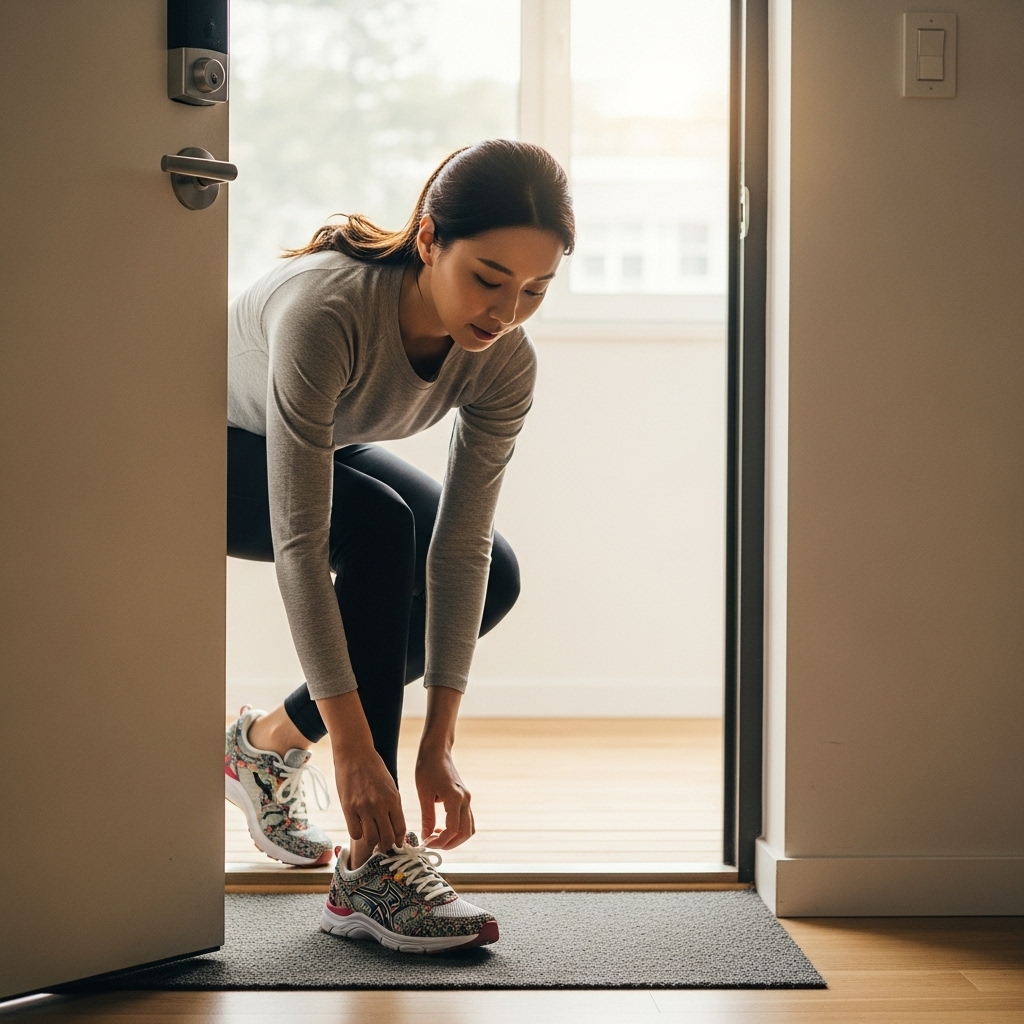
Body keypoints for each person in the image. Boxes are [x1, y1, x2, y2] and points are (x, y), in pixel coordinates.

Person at [223, 139, 574, 953]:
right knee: (380, 525)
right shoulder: (328, 312)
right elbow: (302, 544)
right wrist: (352, 751)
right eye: (487, 279)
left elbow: (461, 549)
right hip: (194, 443)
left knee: (497, 575)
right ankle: (370, 872)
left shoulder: (503, 363)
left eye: (535, 290)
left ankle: (263, 745)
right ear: (428, 241)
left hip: (320, 442)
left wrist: (437, 746)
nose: (506, 310)